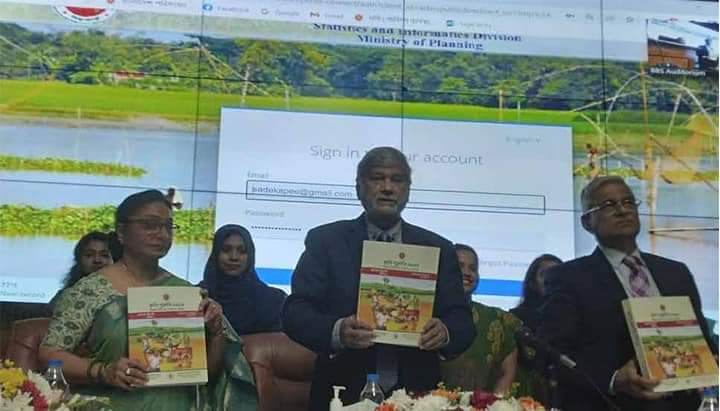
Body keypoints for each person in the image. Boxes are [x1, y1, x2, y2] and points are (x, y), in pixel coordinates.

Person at [282, 147, 475, 410]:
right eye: (377, 178)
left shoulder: (437, 248)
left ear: (407, 189)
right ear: (359, 187)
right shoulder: (326, 242)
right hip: (341, 391)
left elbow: (463, 321)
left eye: (397, 180)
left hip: (418, 396)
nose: (387, 188)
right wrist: (338, 330)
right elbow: (295, 313)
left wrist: (445, 331)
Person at [39, 189, 257, 410]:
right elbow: (50, 355)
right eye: (150, 225)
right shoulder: (91, 290)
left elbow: (204, 377)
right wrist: (102, 371)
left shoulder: (184, 293)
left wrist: (216, 332)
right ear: (122, 232)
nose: (162, 234)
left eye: (168, 226)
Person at [540, 176, 716, 411]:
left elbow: (703, 340)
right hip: (611, 405)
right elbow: (554, 352)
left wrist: (709, 361)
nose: (623, 210)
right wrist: (614, 379)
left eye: (628, 202)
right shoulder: (568, 277)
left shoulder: (676, 273)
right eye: (609, 205)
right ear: (587, 222)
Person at [439, 244, 520, 394]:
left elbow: (506, 372)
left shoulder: (495, 318)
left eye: (473, 268)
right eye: (459, 266)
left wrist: (494, 403)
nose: (467, 273)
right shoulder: (427, 314)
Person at [201, 224, 286, 335]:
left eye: (242, 251)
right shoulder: (198, 296)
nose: (234, 257)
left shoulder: (274, 301)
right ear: (215, 254)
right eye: (226, 250)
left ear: (250, 256)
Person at [48, 231, 113, 311]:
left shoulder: (123, 294)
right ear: (79, 260)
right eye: (89, 255)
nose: (97, 260)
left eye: (104, 255)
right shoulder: (66, 296)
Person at [510, 254, 562, 332]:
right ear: (533, 283)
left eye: (555, 274)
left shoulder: (572, 315)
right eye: (543, 274)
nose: (550, 279)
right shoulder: (516, 318)